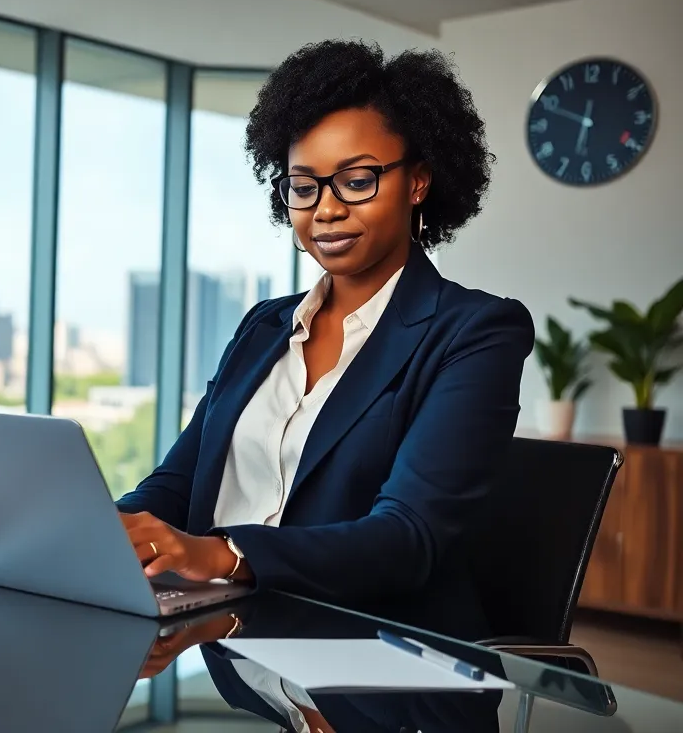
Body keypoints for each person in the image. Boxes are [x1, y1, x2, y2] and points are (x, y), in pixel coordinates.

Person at [116, 39, 534, 640]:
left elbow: (407, 538)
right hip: (231, 638)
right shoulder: (264, 326)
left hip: (382, 663)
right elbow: (180, 482)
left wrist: (224, 555)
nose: (326, 211)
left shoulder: (474, 332)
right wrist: (106, 529)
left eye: (357, 180)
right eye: (304, 187)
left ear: (417, 182)